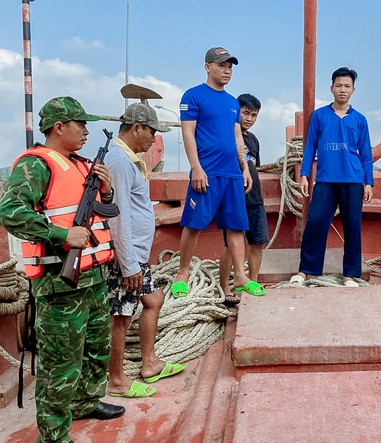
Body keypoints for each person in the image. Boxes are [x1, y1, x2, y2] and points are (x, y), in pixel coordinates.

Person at [0, 96, 125, 443]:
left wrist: (108, 191)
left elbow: (101, 213)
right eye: (80, 124)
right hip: (60, 283)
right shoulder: (36, 166)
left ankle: (84, 402)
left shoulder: (84, 166)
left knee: (97, 349)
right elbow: (9, 213)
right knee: (61, 365)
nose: (86, 131)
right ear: (59, 127)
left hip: (94, 278)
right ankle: (53, 436)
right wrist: (62, 234)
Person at [105, 102, 187, 398]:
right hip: (127, 258)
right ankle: (116, 379)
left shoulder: (126, 160)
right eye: (151, 131)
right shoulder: (120, 162)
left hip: (136, 255)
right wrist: (129, 265)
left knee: (153, 299)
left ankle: (149, 363)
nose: (154, 138)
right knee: (122, 315)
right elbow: (119, 216)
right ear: (136, 128)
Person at [174, 47, 264, 298]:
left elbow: (238, 137)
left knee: (236, 226)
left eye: (230, 67)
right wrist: (196, 168)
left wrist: (244, 168)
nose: (227, 70)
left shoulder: (233, 102)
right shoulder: (193, 96)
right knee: (194, 224)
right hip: (207, 172)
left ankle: (241, 277)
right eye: (222, 65)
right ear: (207, 67)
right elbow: (188, 133)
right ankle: (182, 273)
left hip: (232, 175)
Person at [290, 67, 374, 287]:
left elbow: (366, 154)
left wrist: (369, 183)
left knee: (353, 226)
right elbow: (310, 148)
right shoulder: (319, 116)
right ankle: (306, 270)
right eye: (339, 85)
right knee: (316, 222)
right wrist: (304, 175)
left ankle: (350, 274)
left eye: (347, 86)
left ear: (353, 90)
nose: (342, 90)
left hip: (354, 180)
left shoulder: (360, 120)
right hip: (326, 179)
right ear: (331, 88)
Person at [219, 94, 269, 296]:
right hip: (232, 199)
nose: (249, 118)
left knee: (258, 242)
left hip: (255, 199)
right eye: (246, 113)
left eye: (254, 115)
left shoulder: (253, 140)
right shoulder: (226, 135)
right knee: (231, 247)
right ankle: (224, 289)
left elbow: (255, 166)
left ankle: (252, 282)